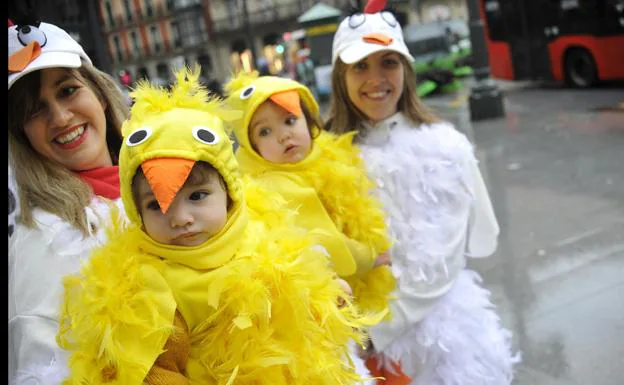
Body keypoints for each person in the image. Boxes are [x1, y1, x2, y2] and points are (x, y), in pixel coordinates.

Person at [57, 66, 376, 384]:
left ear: (229, 192)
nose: (180, 217)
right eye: (156, 205)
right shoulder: (153, 288)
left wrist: (323, 299)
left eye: (197, 196)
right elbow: (155, 371)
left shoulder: (264, 235)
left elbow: (297, 298)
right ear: (137, 212)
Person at [326, 3, 520, 385]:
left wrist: (376, 331)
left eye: (389, 62)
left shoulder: (444, 148)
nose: (376, 78)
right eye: (360, 66)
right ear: (340, 78)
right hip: (354, 342)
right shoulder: (323, 154)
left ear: (406, 71)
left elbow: (442, 262)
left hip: (441, 340)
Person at [8, 20, 130, 384]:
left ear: (100, 94)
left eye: (68, 90)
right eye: (33, 111)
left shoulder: (167, 181)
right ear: (23, 137)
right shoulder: (47, 238)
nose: (60, 118)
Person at [224, 71, 396, 318]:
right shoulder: (272, 184)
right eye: (264, 132)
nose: (283, 135)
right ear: (251, 148)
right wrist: (370, 257)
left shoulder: (322, 158)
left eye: (290, 120)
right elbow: (324, 240)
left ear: (309, 121)